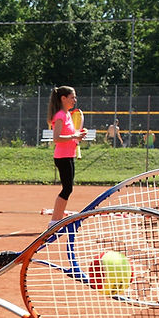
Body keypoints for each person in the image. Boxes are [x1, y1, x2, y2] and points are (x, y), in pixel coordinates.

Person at [47, 86, 87, 226]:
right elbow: (56, 138)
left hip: (68, 156)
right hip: (62, 157)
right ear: (63, 98)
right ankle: (54, 221)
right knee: (67, 188)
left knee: (68, 188)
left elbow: (70, 137)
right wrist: (74, 135)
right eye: (72, 97)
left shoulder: (68, 114)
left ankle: (56, 220)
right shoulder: (60, 116)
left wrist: (78, 137)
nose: (74, 100)